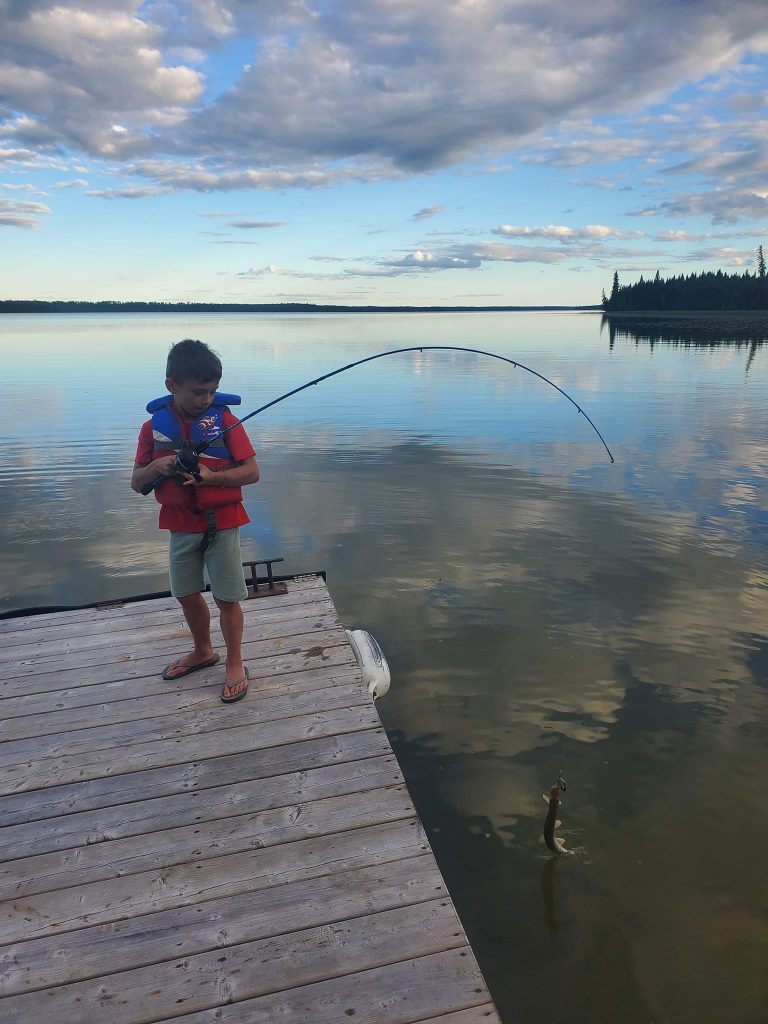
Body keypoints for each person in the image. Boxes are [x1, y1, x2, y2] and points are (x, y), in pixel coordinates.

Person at [131, 339, 260, 704]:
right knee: (186, 593)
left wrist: (212, 478)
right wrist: (158, 466)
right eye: (198, 392)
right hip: (180, 523)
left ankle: (234, 662)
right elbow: (137, 482)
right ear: (172, 385)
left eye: (212, 391)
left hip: (223, 522)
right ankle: (203, 650)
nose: (206, 399)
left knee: (227, 597)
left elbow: (252, 472)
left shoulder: (226, 422)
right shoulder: (152, 428)